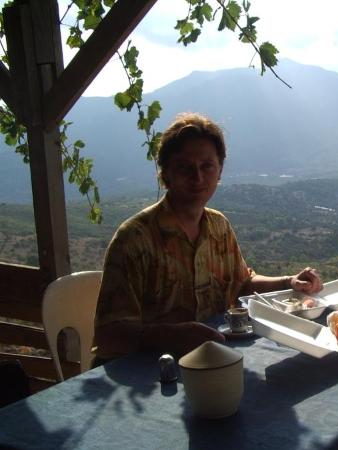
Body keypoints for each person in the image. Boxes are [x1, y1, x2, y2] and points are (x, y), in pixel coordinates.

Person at [93, 112, 322, 361]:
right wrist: (168, 337)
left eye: (207, 166)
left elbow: (242, 284)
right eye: (184, 168)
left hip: (214, 359)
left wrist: (290, 282)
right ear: (165, 173)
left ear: (220, 171)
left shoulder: (218, 227)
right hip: (148, 374)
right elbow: (109, 334)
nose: (198, 178)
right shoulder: (135, 239)